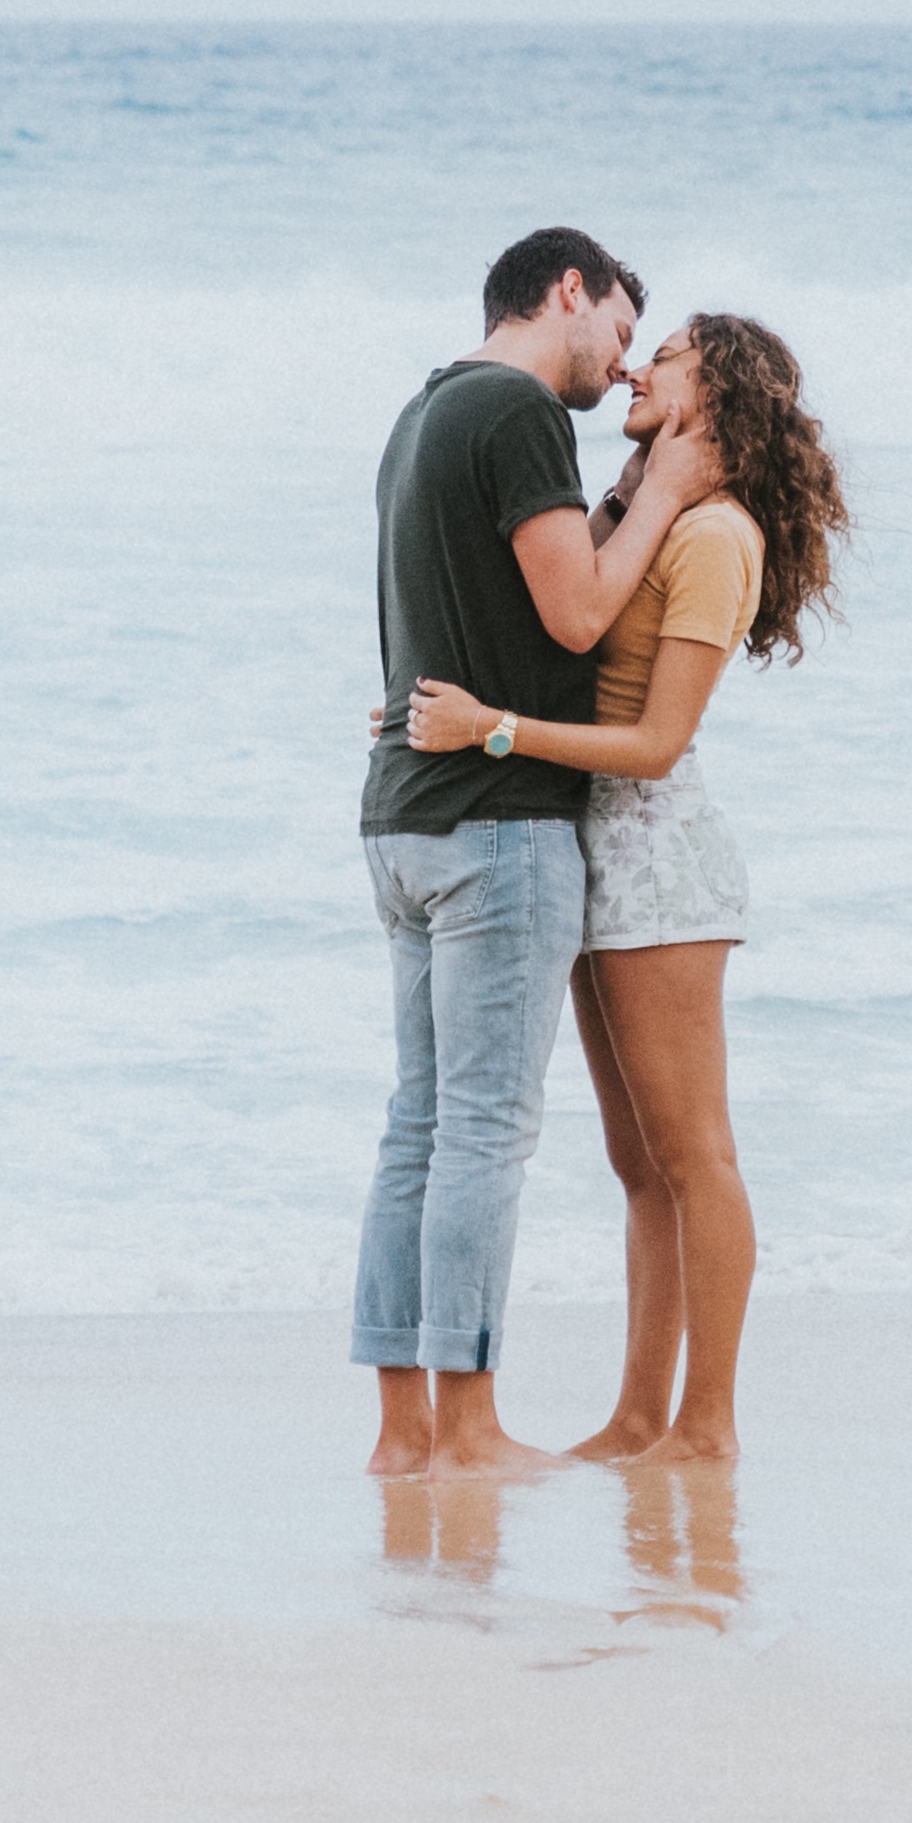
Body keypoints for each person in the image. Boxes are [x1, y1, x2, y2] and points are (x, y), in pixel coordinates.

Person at [397, 313, 848, 1464]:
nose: (639, 368)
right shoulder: (659, 516)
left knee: (698, 1155)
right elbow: (568, 623)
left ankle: (709, 1423)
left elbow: (653, 742)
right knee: (639, 1166)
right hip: (598, 850)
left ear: (714, 394)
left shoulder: (717, 538)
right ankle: (641, 1415)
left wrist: (492, 731)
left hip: (657, 855)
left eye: (673, 356)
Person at [351, 230, 717, 1479]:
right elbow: (573, 612)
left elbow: (467, 615)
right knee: (486, 1132)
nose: (622, 369)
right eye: (621, 329)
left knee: (419, 1125)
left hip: (400, 814)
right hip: (498, 824)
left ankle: (404, 1434)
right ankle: (469, 1429)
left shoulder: (424, 413)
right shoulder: (517, 413)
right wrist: (663, 494)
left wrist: (623, 499)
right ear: (569, 290)